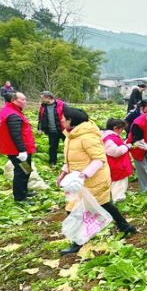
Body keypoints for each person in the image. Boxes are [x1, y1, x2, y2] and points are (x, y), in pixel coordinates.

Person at [56, 108, 136, 256]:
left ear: (71, 120)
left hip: (93, 179)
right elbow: (70, 159)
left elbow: (99, 159)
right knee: (103, 204)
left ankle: (78, 241)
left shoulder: (88, 137)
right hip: (79, 180)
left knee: (74, 209)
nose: (61, 120)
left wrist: (83, 175)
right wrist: (63, 173)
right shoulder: (70, 136)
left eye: (63, 118)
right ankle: (125, 227)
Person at [0, 92, 36, 204]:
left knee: (26, 170)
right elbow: (16, 134)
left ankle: (23, 191)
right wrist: (22, 150)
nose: (25, 102)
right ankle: (20, 197)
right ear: (14, 100)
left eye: (25, 99)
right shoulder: (13, 115)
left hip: (13, 148)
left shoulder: (8, 111)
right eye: (22, 99)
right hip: (17, 150)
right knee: (22, 172)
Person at [102, 118, 134, 202]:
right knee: (119, 184)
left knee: (118, 183)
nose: (122, 131)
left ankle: (117, 199)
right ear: (115, 128)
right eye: (121, 129)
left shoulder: (108, 136)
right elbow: (115, 152)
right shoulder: (109, 139)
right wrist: (126, 146)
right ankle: (118, 201)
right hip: (117, 165)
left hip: (117, 164)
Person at [38, 91, 67, 167]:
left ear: (48, 97)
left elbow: (69, 115)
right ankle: (52, 162)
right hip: (51, 131)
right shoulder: (43, 107)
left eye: (42, 98)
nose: (41, 100)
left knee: (68, 146)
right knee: (52, 147)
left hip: (64, 130)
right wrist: (39, 128)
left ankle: (67, 162)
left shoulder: (62, 105)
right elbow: (40, 118)